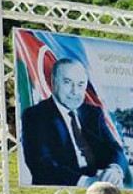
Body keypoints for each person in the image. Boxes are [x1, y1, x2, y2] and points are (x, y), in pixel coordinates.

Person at [20, 58, 126, 187]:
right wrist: (86, 182)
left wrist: (115, 170)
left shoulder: (93, 113)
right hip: (59, 191)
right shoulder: (35, 115)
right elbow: (42, 165)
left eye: (80, 84)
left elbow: (114, 148)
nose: (75, 91)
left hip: (99, 182)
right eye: (67, 82)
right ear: (53, 82)